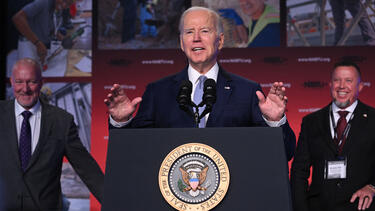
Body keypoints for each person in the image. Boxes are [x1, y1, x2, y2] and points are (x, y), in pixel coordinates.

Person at [104, 6, 295, 161]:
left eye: (204, 31)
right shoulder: (158, 92)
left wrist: (275, 122)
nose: (196, 38)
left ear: (219, 41)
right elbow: (133, 153)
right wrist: (121, 123)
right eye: (189, 32)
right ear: (181, 43)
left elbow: (283, 154)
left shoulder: (247, 91)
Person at [0, 58, 104, 210]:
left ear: (41, 82)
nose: (25, 88)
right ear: (11, 82)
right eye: (19, 81)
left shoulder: (62, 121)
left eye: (32, 82)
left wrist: (116, 203)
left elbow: (87, 169)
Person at [291, 61, 375, 211]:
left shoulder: (373, 119)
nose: (342, 86)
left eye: (348, 80)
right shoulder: (311, 122)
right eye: (337, 80)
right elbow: (299, 171)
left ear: (360, 87)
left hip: (361, 207)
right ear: (330, 85)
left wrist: (372, 187)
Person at [12, 0, 74, 64]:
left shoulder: (58, 8)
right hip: (29, 47)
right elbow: (17, 18)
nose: (64, 5)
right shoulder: (42, 2)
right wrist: (38, 43)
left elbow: (50, 28)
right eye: (64, 0)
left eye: (68, 4)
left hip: (42, 48)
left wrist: (63, 39)